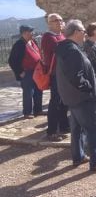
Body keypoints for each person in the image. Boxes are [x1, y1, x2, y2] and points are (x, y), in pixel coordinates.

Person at [56, 19, 96, 171]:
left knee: (76, 129)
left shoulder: (67, 48)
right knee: (93, 129)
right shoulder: (72, 50)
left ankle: (79, 156)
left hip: (73, 97)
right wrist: (89, 89)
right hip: (82, 98)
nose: (84, 33)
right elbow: (76, 76)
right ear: (76, 32)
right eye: (82, 30)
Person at [41, 13, 70, 141]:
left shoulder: (61, 35)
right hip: (56, 74)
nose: (59, 22)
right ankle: (51, 131)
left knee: (64, 101)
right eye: (55, 20)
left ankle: (64, 126)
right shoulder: (48, 37)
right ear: (49, 23)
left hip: (64, 73)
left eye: (60, 20)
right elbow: (60, 50)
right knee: (55, 102)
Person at [8, 25, 43, 119]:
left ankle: (38, 110)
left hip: (37, 71)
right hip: (27, 72)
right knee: (28, 93)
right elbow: (12, 60)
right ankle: (27, 112)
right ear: (24, 33)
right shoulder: (19, 44)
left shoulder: (33, 41)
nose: (33, 34)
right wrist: (20, 72)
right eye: (31, 32)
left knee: (38, 91)